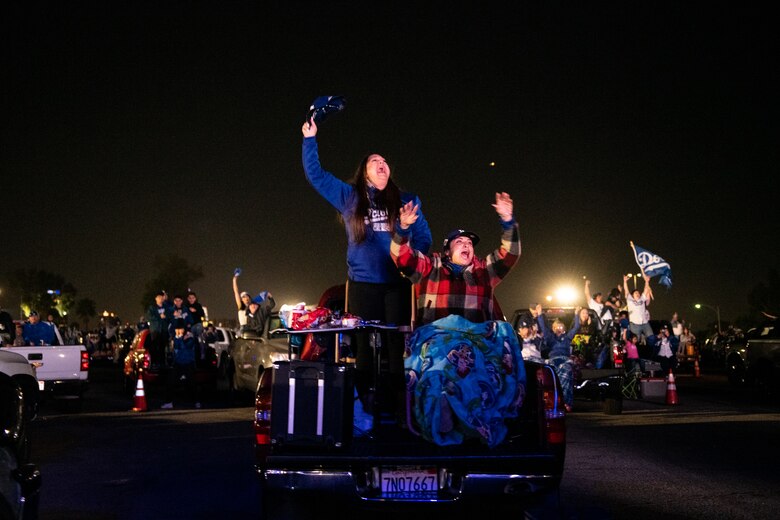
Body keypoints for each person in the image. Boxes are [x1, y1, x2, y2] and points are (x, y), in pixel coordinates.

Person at [302, 117, 433, 412]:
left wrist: (409, 254)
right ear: (365, 172)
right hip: (362, 285)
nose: (382, 163)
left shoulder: (407, 200)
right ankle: (365, 413)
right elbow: (316, 176)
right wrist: (310, 139)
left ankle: (400, 412)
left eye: (385, 160)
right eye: (375, 160)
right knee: (363, 352)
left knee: (395, 348)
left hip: (396, 285)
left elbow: (425, 239)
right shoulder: (350, 197)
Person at [393, 192, 525, 445]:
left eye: (469, 243)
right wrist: (403, 228)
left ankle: (477, 417)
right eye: (459, 242)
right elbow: (402, 257)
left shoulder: (484, 271)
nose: (466, 245)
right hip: (437, 339)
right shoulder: (430, 267)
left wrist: (508, 221)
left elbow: (510, 255)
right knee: (440, 362)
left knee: (497, 345)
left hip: (477, 343)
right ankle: (442, 412)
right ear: (447, 250)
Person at [538, 307, 581, 413]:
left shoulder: (567, 338)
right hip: (553, 360)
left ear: (564, 329)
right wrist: (540, 314)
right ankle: (550, 402)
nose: (558, 328)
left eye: (561, 326)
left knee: (567, 371)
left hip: (565, 360)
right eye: (556, 327)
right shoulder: (551, 338)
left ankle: (566, 402)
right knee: (549, 373)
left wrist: (576, 314)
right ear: (553, 328)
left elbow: (576, 327)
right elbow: (544, 328)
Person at [161, 319, 200, 409]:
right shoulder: (177, 337)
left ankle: (196, 402)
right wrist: (178, 339)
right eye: (177, 329)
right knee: (171, 382)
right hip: (178, 363)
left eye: (180, 329)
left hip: (188, 363)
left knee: (192, 383)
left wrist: (180, 339)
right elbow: (176, 347)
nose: (178, 331)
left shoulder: (190, 337)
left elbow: (186, 346)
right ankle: (169, 402)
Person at [623, 273, 654, 345]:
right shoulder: (630, 300)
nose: (638, 294)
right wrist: (625, 282)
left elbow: (646, 290)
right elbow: (626, 291)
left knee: (652, 338)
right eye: (636, 293)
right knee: (636, 341)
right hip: (635, 325)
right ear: (632, 295)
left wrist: (647, 281)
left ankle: (651, 353)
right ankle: (635, 354)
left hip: (645, 323)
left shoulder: (642, 299)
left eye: (638, 293)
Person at [145, 291, 170, 368]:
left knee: (163, 347)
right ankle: (154, 363)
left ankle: (163, 363)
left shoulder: (166, 307)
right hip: (155, 330)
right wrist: (160, 317)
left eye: (161, 297)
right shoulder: (152, 308)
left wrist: (165, 317)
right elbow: (149, 317)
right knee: (155, 347)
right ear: (155, 298)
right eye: (158, 297)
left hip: (164, 330)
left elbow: (169, 315)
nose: (160, 298)